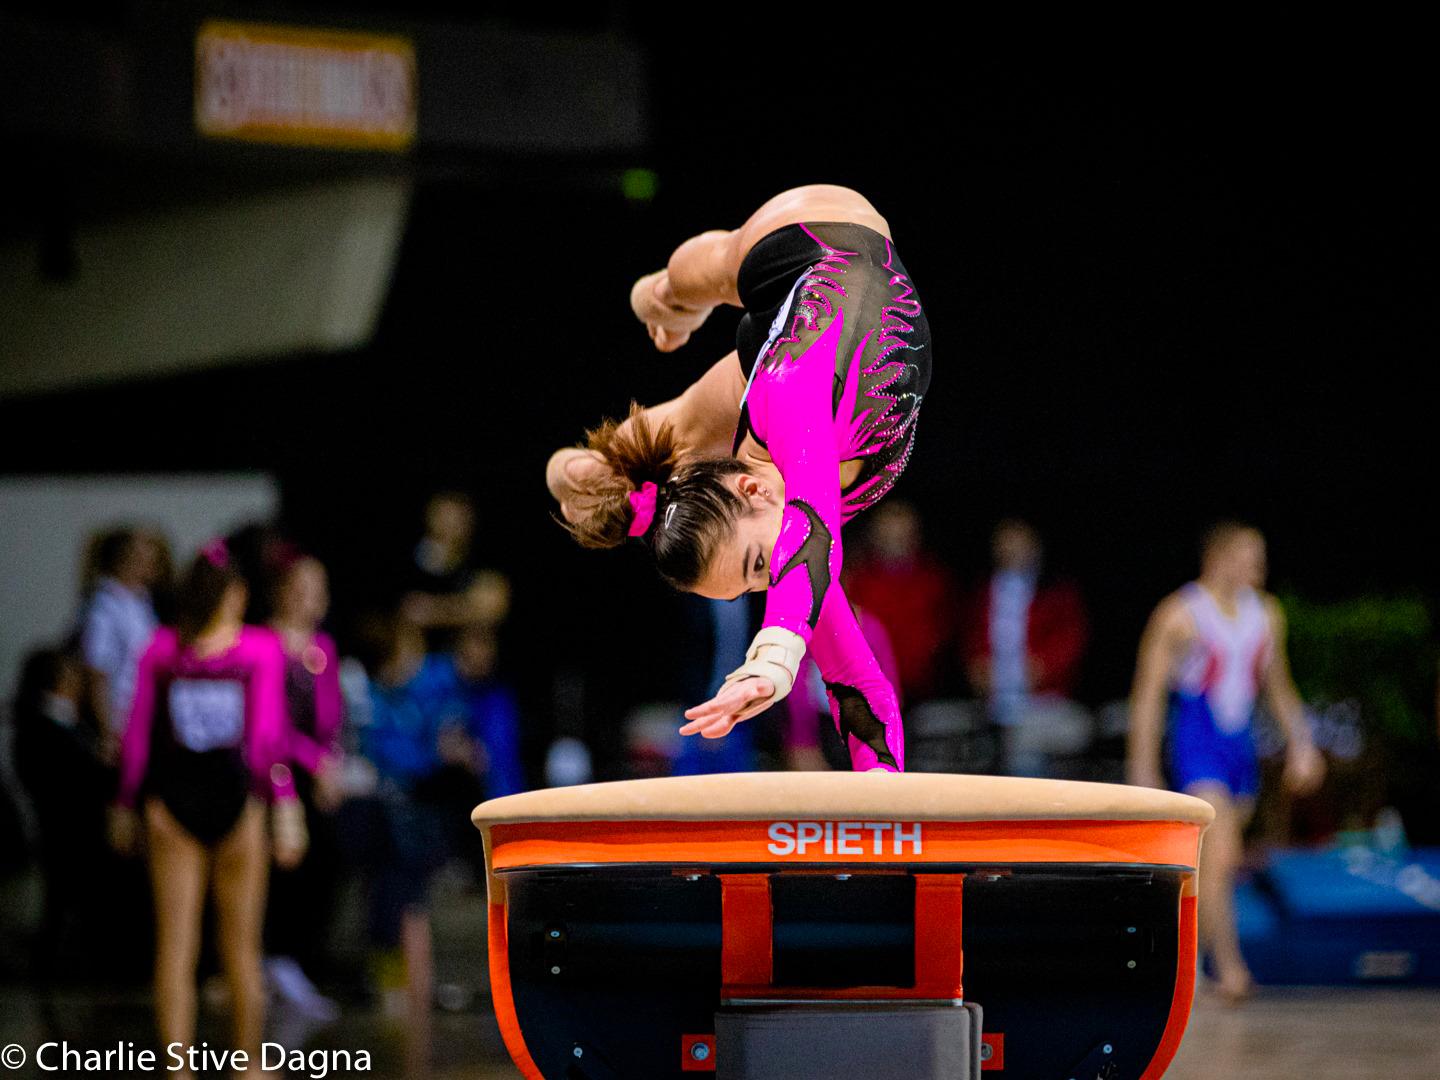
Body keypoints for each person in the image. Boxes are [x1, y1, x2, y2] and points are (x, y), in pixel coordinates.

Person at [547, 185, 932, 771]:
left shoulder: (793, 410)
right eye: (757, 588)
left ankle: (663, 300)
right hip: (778, 350)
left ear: (751, 489)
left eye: (759, 567)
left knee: (698, 273)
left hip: (810, 242)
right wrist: (883, 810)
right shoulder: (799, 531)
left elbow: (805, 540)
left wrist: (772, 658)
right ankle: (586, 474)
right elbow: (857, 683)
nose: (770, 585)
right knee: (610, 463)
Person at [109, 540, 307, 1077]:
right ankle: (246, 1065)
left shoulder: (162, 648)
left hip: (171, 802)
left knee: (176, 948)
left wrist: (127, 803)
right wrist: (285, 803)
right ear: (236, 595)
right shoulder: (258, 649)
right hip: (236, 800)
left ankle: (179, 1069)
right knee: (241, 947)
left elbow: (137, 736)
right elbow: (267, 739)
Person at [1126, 521, 1324, 1001]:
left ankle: (1183, 967)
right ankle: (1227, 967)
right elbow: (1148, 696)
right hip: (1197, 743)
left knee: (1217, 866)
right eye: (1249, 556)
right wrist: (1143, 768)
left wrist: (1303, 743)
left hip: (1239, 747)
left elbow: (1278, 686)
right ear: (1218, 557)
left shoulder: (1267, 614)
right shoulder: (1180, 614)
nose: (1260, 567)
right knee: (1223, 853)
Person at [265, 551, 344, 1022]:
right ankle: (272, 959)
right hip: (276, 773)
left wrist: (329, 763)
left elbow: (330, 718)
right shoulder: (266, 642)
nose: (313, 597)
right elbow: (272, 723)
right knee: (283, 869)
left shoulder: (322, 647)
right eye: (305, 587)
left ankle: (297, 961)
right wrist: (313, 761)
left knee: (325, 864)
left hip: (314, 774)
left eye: (320, 588)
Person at [11, 647, 110, 990]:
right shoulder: (45, 727)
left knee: (65, 902)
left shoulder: (67, 724)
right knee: (65, 901)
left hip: (67, 825)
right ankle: (55, 972)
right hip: (66, 825)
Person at [962, 519, 1089, 776]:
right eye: (1006, 542)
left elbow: (1070, 642)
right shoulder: (984, 592)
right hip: (992, 704)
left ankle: (1026, 812)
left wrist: (1041, 669)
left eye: (1019, 542)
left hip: (1044, 702)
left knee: (1024, 744)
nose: (1012, 549)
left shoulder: (1056, 593)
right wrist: (977, 667)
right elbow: (971, 641)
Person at [845, 501, 957, 703]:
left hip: (924, 693)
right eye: (888, 536)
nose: (895, 543)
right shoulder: (856, 581)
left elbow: (944, 634)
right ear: (875, 537)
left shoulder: (934, 580)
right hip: (869, 691)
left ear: (915, 537)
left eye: (901, 537)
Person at [77, 526, 165, 744]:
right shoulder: (104, 606)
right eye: (146, 555)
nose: (154, 562)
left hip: (143, 716)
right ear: (125, 559)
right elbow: (97, 671)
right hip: (120, 719)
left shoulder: (140, 600)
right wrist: (107, 731)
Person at [398, 492, 510, 650]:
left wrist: (434, 611)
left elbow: (494, 607)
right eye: (446, 517)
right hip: (417, 664)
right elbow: (406, 613)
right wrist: (469, 606)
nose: (453, 525)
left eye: (461, 518)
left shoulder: (480, 561)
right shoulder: (410, 561)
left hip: (466, 665)